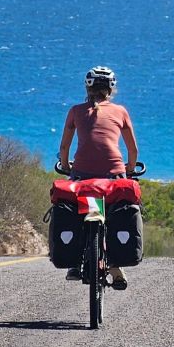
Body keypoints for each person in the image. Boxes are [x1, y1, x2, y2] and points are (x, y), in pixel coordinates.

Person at [57, 65, 139, 290]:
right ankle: (116, 267)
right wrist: (130, 168)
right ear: (111, 90)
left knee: (77, 212)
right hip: (113, 175)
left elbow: (64, 147)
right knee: (114, 216)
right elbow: (132, 150)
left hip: (82, 175)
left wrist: (66, 165)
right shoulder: (120, 111)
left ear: (87, 88)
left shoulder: (75, 111)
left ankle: (74, 263)